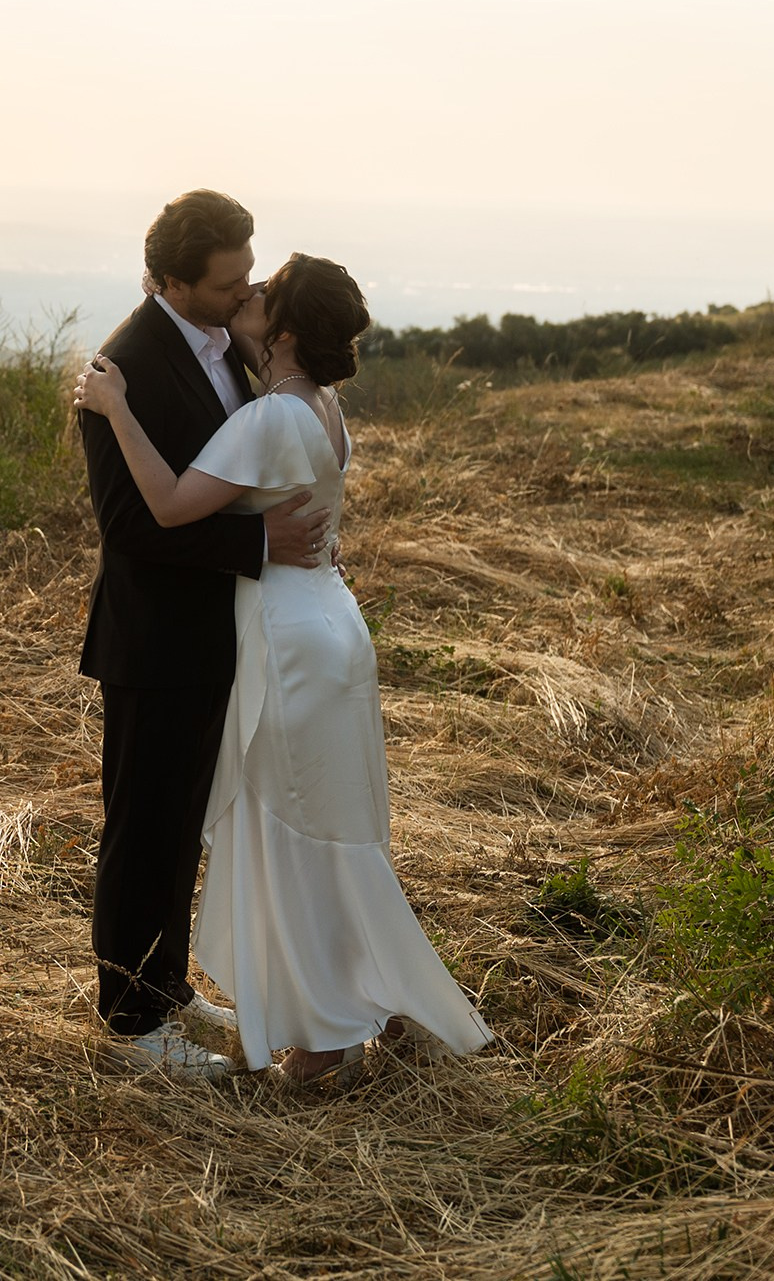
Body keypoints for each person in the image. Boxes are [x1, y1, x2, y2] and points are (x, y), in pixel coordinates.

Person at [76, 252, 494, 1085]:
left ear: (289, 332)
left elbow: (163, 505)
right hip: (331, 623)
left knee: (292, 835)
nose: (249, 293)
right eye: (241, 282)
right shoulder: (327, 408)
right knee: (332, 828)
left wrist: (117, 409)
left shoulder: (271, 416)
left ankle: (321, 1035)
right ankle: (360, 997)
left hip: (289, 642)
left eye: (262, 293)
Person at [79, 191, 331, 1081]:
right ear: (171, 281)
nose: (243, 291)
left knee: (183, 826)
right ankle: (130, 1021)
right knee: (141, 830)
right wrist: (260, 543)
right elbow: (131, 527)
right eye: (227, 283)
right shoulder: (125, 367)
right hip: (153, 644)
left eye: (247, 275)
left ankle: (168, 991)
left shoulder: (232, 345)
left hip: (217, 637)